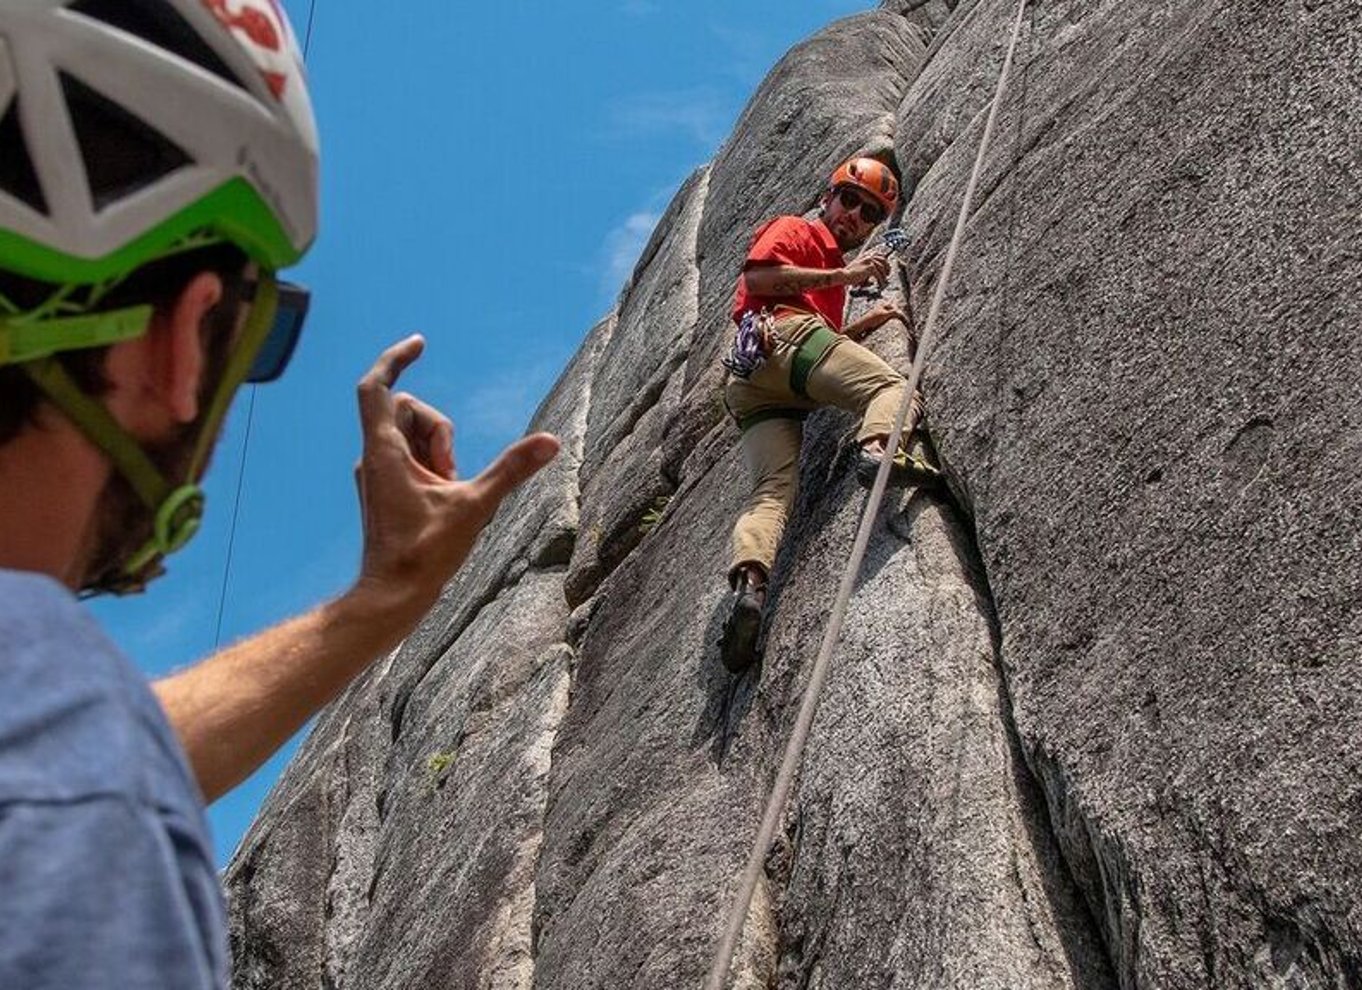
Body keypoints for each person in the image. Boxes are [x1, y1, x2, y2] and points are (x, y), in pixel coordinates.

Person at [0, 3, 558, 987]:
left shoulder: (58, 762)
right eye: (251, 342)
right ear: (181, 338)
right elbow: (64, 767)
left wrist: (377, 605)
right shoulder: (73, 791)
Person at [720, 156, 939, 672]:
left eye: (868, 213)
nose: (854, 217)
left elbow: (822, 344)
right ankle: (879, 448)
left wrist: (866, 322)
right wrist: (846, 272)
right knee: (890, 387)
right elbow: (761, 278)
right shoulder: (794, 228)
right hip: (784, 339)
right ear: (828, 196)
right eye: (850, 201)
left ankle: (749, 587)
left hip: (755, 386)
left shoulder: (829, 283)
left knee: (772, 489)